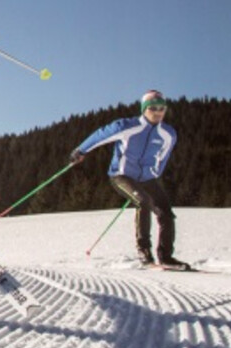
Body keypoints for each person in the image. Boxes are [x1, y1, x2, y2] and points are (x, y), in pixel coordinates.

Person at [70, 90, 188, 269]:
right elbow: (101, 134)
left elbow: (163, 157)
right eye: (153, 108)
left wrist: (154, 173)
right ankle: (144, 252)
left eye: (162, 108)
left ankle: (166, 257)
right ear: (144, 109)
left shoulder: (168, 134)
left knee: (166, 213)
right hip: (121, 175)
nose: (158, 112)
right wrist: (81, 150)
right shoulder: (127, 126)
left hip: (147, 179)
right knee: (143, 201)